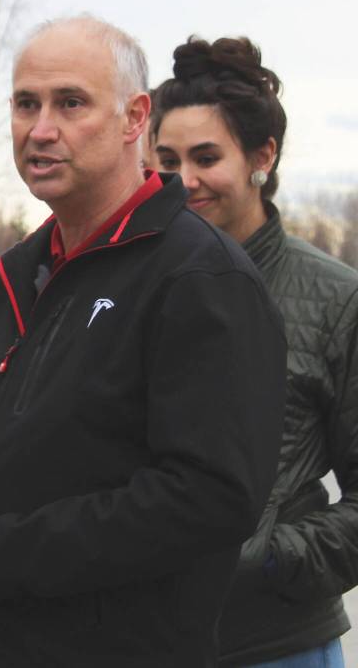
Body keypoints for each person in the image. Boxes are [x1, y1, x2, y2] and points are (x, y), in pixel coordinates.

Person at [0, 15, 287, 667]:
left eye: (70, 103)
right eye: (25, 104)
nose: (41, 129)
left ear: (134, 118)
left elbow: (208, 497)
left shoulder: (200, 278)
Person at [151, 36, 358, 668]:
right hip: (141, 640)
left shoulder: (335, 299)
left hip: (277, 643)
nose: (183, 181)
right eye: (166, 159)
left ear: (262, 155)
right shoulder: (132, 285)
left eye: (206, 157)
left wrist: (266, 556)